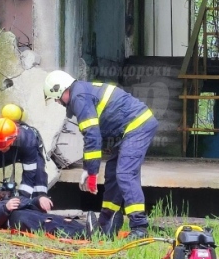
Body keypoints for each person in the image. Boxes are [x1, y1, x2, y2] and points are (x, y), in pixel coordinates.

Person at [43, 71, 157, 240]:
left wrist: (91, 172)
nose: (57, 102)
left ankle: (139, 228)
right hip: (133, 127)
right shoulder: (79, 92)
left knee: (125, 174)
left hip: (138, 125)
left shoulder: (78, 97)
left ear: (60, 90)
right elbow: (91, 136)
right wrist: (88, 168)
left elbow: (92, 136)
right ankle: (106, 223)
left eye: (56, 98)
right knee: (112, 172)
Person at [0, 183, 96, 240]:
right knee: (47, 225)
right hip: (15, 217)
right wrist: (5, 209)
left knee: (58, 219)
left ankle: (92, 230)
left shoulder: (8, 199)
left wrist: (39, 200)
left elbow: (27, 201)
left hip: (30, 212)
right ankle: (82, 235)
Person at [0, 115, 53, 211]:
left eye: (2, 145)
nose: (1, 147)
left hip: (23, 148)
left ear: (13, 138)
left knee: (38, 170)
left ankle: (40, 203)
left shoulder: (28, 140)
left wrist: (21, 200)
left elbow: (29, 175)